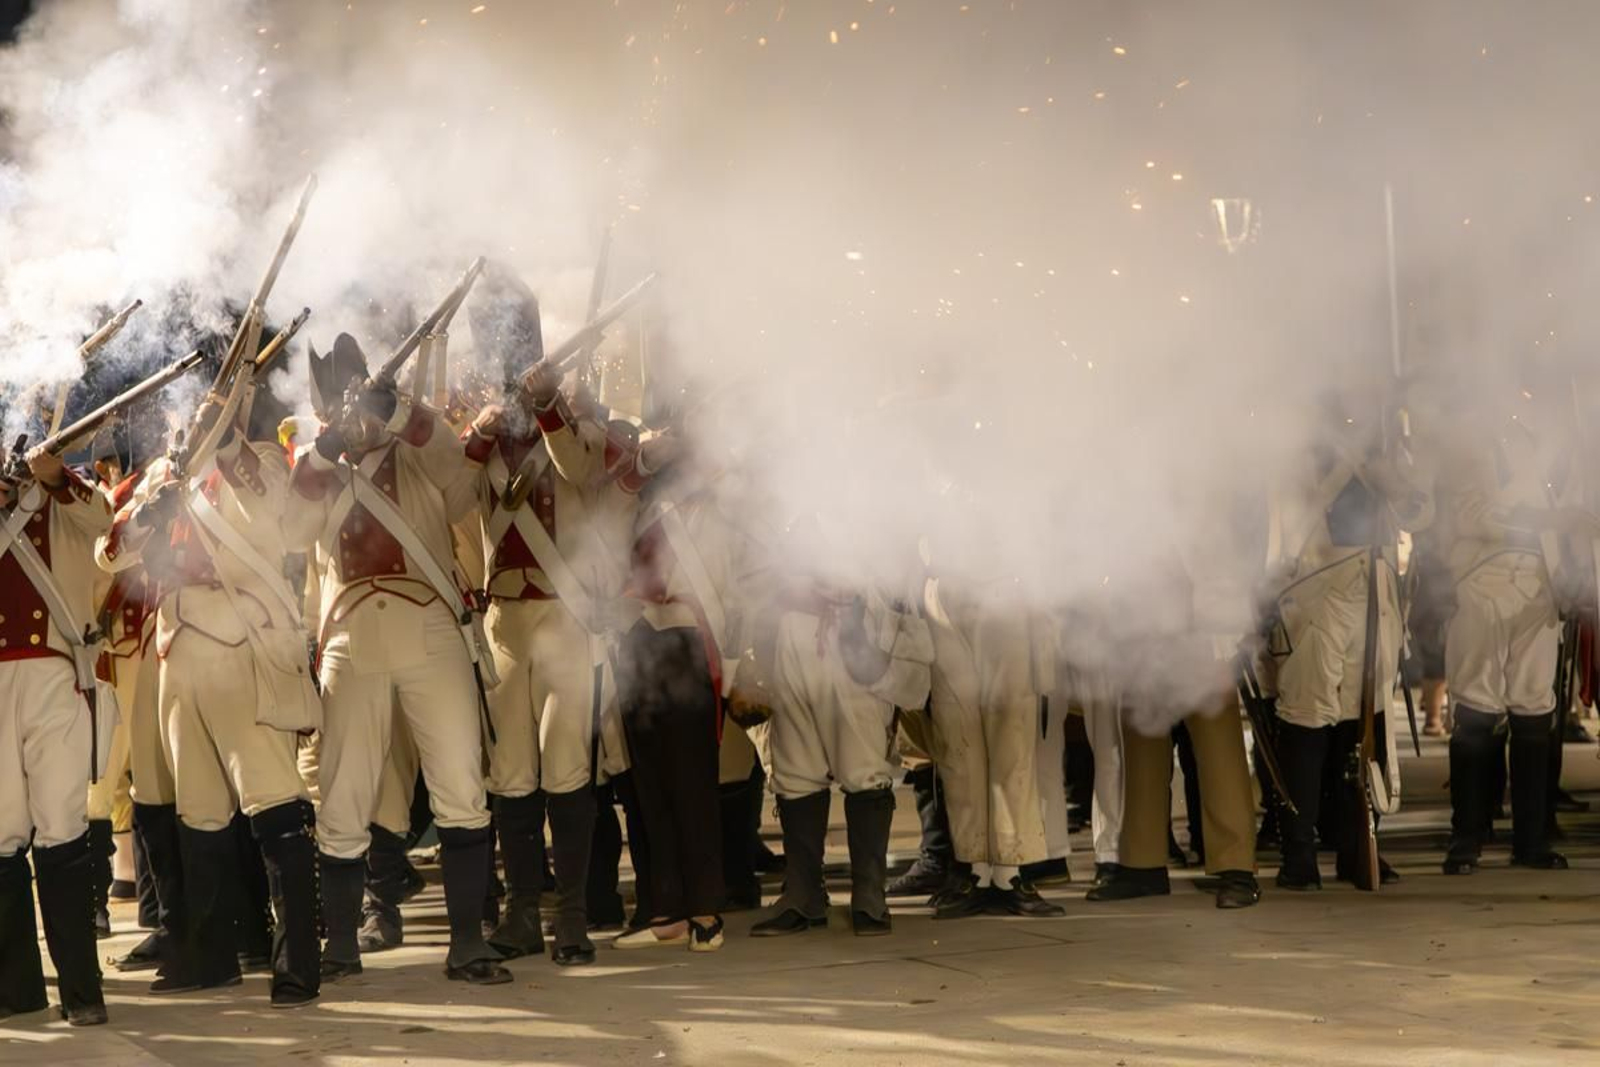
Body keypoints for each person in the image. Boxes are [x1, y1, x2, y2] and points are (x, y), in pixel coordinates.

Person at [283, 334, 509, 985]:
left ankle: (468, 941)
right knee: (344, 790)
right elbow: (289, 526)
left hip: (430, 623)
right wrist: (326, 449)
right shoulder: (318, 463)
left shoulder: (418, 447)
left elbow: (460, 479)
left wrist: (405, 411)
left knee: (460, 783)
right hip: (351, 636)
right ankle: (343, 944)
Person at [100, 395, 322, 1007]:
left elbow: (272, 517)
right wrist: (154, 510)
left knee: (274, 803)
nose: (192, 423)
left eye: (209, 417)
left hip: (244, 645)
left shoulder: (261, 464)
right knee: (197, 815)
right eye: (191, 416)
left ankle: (297, 959)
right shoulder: (162, 477)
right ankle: (208, 955)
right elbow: (111, 552)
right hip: (177, 653)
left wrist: (224, 446)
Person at [1267, 402, 1433, 890]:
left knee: (1362, 719)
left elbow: (1420, 513)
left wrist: (1394, 477)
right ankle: (1299, 853)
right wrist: (1348, 460)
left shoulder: (1381, 445)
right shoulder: (1293, 450)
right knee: (1306, 718)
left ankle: (1355, 845)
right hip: (1318, 590)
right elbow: (1290, 525)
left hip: (1374, 590)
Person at [610, 428, 760, 951]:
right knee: (650, 786)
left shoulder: (717, 512)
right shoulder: (637, 501)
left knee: (694, 786)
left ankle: (706, 912)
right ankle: (666, 909)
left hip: (690, 643)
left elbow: (733, 591)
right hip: (640, 641)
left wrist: (735, 669)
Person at [1435, 395, 1596, 875]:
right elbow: (1471, 515)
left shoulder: (1550, 442)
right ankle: (1466, 836)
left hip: (1539, 585)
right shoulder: (1468, 437)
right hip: (1483, 582)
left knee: (1533, 711)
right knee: (1477, 710)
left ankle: (1530, 839)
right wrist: (1549, 521)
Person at [749, 566, 932, 938]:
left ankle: (869, 894)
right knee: (795, 769)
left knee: (862, 767)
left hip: (855, 628)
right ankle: (803, 894)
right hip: (790, 629)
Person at [0, 447, 113, 1026]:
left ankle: (82, 992)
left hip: (53, 673)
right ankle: (16, 989)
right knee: (1, 835)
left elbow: (106, 522)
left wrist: (55, 478)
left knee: (62, 829)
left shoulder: (62, 497)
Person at [920, 573, 1065, 920]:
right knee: (958, 745)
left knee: (1011, 743)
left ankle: (1008, 874)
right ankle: (976, 871)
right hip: (944, 586)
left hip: (1006, 586)